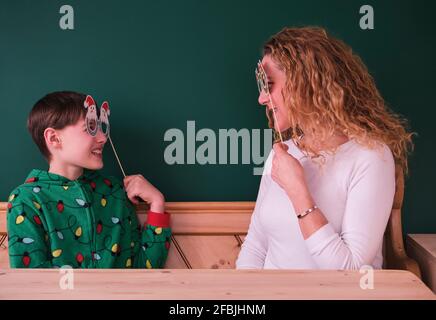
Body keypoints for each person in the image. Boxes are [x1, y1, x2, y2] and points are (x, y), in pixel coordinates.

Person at [236, 27, 414, 270]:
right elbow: (256, 245)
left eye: (269, 85)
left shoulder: (371, 157)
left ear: (305, 84)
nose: (262, 98)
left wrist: (298, 191)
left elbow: (351, 272)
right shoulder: (282, 153)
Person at [7, 91, 171, 268]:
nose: (103, 137)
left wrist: (157, 202)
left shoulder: (114, 192)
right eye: (90, 128)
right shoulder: (26, 201)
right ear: (54, 138)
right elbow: (32, 285)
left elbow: (145, 269)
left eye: (101, 128)